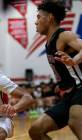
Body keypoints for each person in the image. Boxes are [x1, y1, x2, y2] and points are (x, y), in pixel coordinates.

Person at [29, 1, 82, 140]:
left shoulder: (64, 36)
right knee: (35, 130)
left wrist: (75, 60)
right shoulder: (49, 42)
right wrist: (62, 84)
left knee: (75, 121)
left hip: (81, 88)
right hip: (69, 94)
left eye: (39, 17)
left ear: (50, 18)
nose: (36, 22)